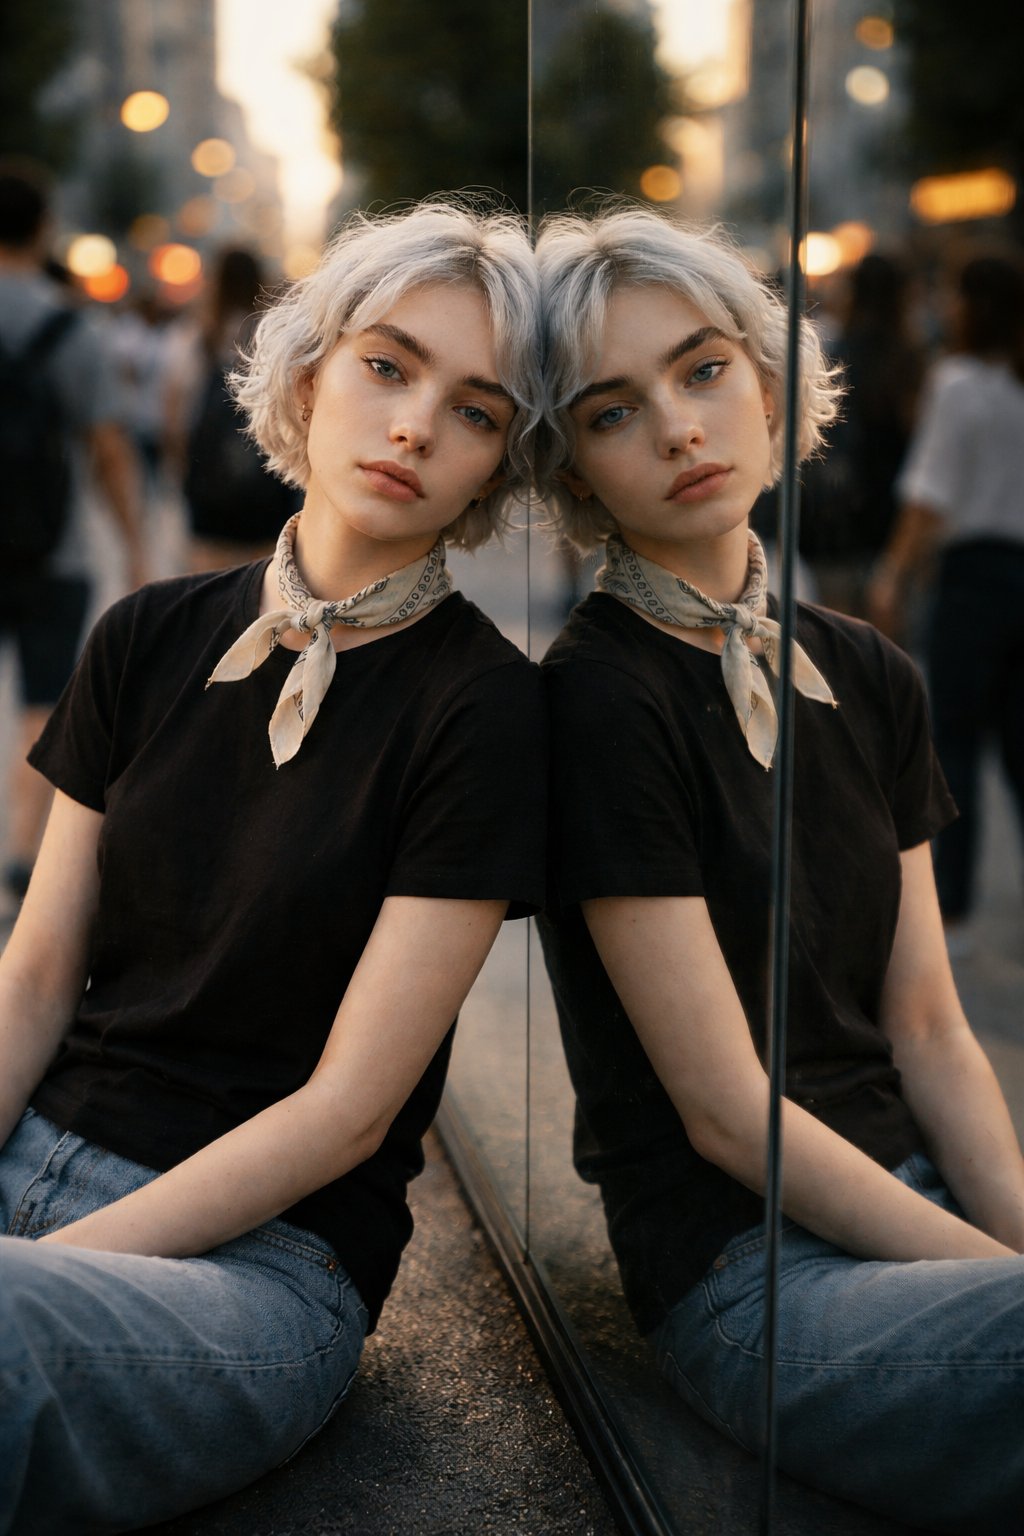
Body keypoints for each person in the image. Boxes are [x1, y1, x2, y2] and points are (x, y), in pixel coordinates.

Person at [0, 199, 546, 1533]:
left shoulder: (488, 711)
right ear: (308, 369)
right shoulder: (146, 634)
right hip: (30, 1157)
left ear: (500, 467)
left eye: (477, 410)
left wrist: (38, 1270)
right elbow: (34, 978)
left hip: (260, 1263)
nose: (417, 423)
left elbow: (350, 1113)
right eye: (388, 364)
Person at [534, 206, 1024, 1534]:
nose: (682, 428)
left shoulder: (866, 669)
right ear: (574, 476)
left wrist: (1011, 1245)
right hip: (748, 1270)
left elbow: (930, 1023)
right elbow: (718, 1111)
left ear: (767, 378)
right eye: (613, 411)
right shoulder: (598, 698)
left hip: (918, 1205)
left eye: (701, 371)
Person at [0, 162, 145, 909]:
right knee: (39, 701)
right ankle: (20, 856)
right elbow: (109, 447)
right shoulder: (69, 326)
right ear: (42, 229)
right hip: (48, 546)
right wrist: (135, 540)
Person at [869, 254, 1024, 940]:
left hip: (974, 577)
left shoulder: (958, 383)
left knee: (955, 740)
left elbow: (929, 495)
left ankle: (953, 909)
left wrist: (893, 576)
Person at [165, 245, 300, 573]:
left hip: (209, 487)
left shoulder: (196, 338)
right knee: (263, 576)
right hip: (268, 477)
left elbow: (174, 418)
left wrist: (182, 469)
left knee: (208, 580)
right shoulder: (278, 338)